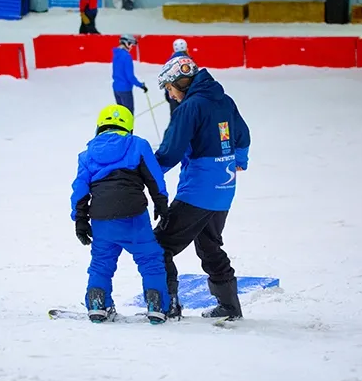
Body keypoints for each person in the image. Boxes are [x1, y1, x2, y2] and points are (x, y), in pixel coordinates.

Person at [153, 55, 251, 320]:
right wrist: (240, 159)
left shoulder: (191, 107)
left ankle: (166, 306)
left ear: (180, 82)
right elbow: (242, 135)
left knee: (159, 245)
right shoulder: (224, 100)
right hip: (225, 189)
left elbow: (171, 151)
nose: (170, 95)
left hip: (198, 191)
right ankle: (230, 307)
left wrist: (146, 173)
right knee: (209, 246)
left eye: (170, 88)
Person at [70, 104, 170, 324]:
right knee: (150, 259)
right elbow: (154, 177)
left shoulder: (86, 155)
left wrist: (80, 220)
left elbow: (79, 191)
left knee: (101, 263)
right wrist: (161, 203)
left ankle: (97, 304)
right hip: (133, 216)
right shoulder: (138, 145)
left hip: (101, 219)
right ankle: (157, 306)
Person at [111, 34, 147, 115]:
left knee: (121, 115)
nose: (131, 47)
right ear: (126, 43)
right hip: (125, 90)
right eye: (131, 44)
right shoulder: (126, 56)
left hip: (116, 88)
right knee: (128, 115)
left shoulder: (116, 54)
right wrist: (141, 85)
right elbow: (130, 77)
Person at [164, 38, 190, 117]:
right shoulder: (189, 62)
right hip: (186, 97)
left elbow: (166, 78)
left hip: (173, 96)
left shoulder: (169, 62)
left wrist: (167, 93)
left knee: (175, 119)